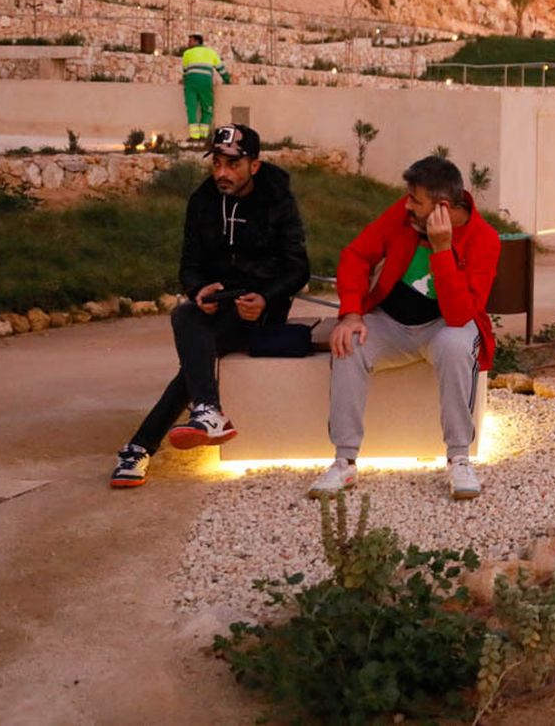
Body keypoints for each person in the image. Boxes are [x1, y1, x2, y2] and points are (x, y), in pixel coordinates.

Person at [110, 124, 310, 489]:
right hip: (216, 305)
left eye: (232, 164)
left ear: (254, 165)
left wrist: (266, 297)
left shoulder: (278, 200)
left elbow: (298, 266)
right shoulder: (202, 201)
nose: (222, 173)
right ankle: (204, 412)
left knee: (194, 358)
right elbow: (189, 264)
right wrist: (198, 289)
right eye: (216, 163)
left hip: (260, 307)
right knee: (186, 314)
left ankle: (141, 445)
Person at [309, 156, 500, 501]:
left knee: (459, 344)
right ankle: (344, 460)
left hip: (444, 327)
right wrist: (351, 313)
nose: (407, 205)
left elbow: (459, 316)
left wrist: (442, 249)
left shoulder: (484, 239)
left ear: (441, 207)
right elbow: (355, 255)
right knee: (349, 342)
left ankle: (459, 457)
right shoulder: (402, 216)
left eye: (416, 200)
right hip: (391, 324)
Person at [180, 33, 230, 142]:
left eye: (190, 40)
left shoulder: (187, 53)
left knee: (191, 109)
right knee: (207, 109)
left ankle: (194, 136)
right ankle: (203, 135)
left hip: (190, 84)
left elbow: (184, 71)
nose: (188, 43)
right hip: (205, 83)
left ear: (197, 41)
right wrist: (227, 79)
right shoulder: (211, 52)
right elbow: (220, 68)